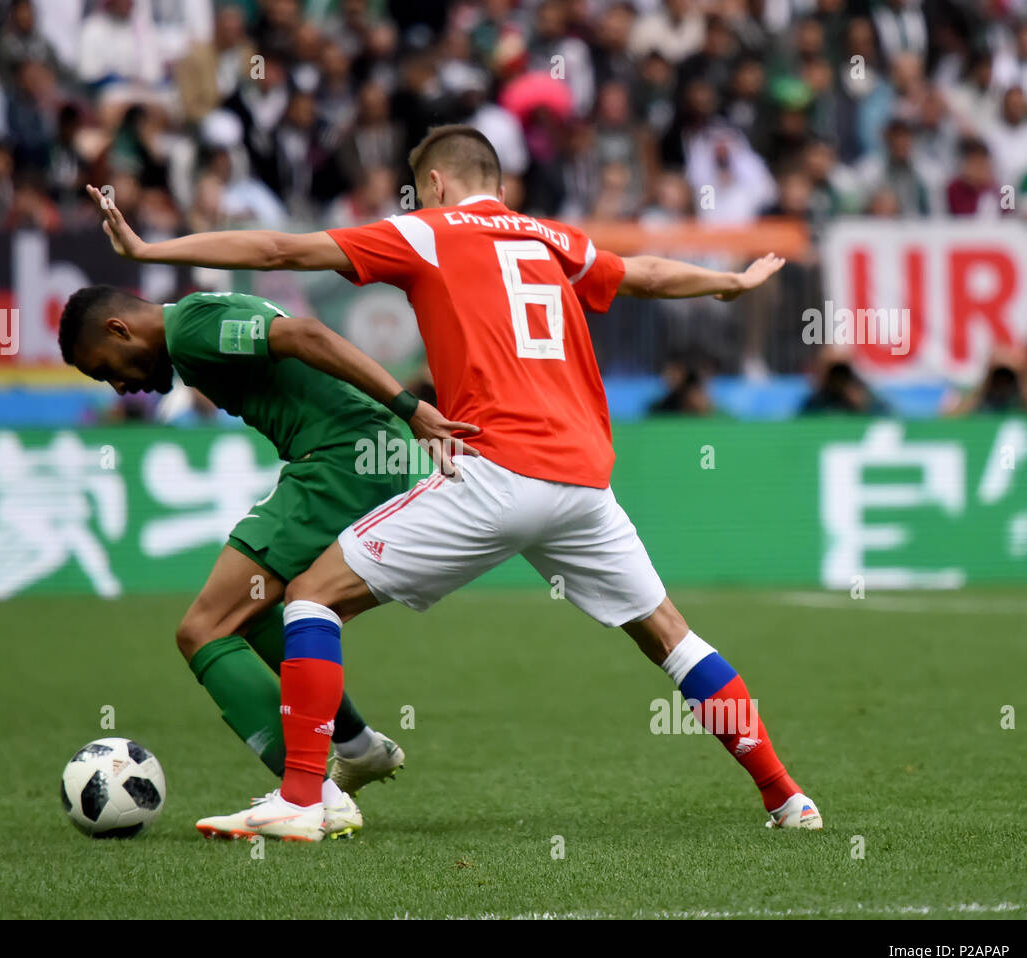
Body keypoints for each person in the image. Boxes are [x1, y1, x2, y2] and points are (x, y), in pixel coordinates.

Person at [84, 124, 821, 842]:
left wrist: (153, 247)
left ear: (433, 185)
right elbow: (648, 274)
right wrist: (730, 280)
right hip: (583, 482)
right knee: (672, 637)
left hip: (494, 468)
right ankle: (787, 797)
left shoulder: (426, 232)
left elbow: (279, 247)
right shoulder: (551, 238)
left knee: (311, 596)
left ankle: (304, 797)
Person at [57, 283, 474, 839]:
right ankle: (356, 746)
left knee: (203, 630)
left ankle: (312, 795)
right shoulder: (194, 326)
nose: (119, 385)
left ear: (119, 329)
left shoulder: (192, 330)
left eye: (106, 367)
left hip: (338, 462)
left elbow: (306, 333)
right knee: (257, 609)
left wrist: (409, 407)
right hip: (352, 455)